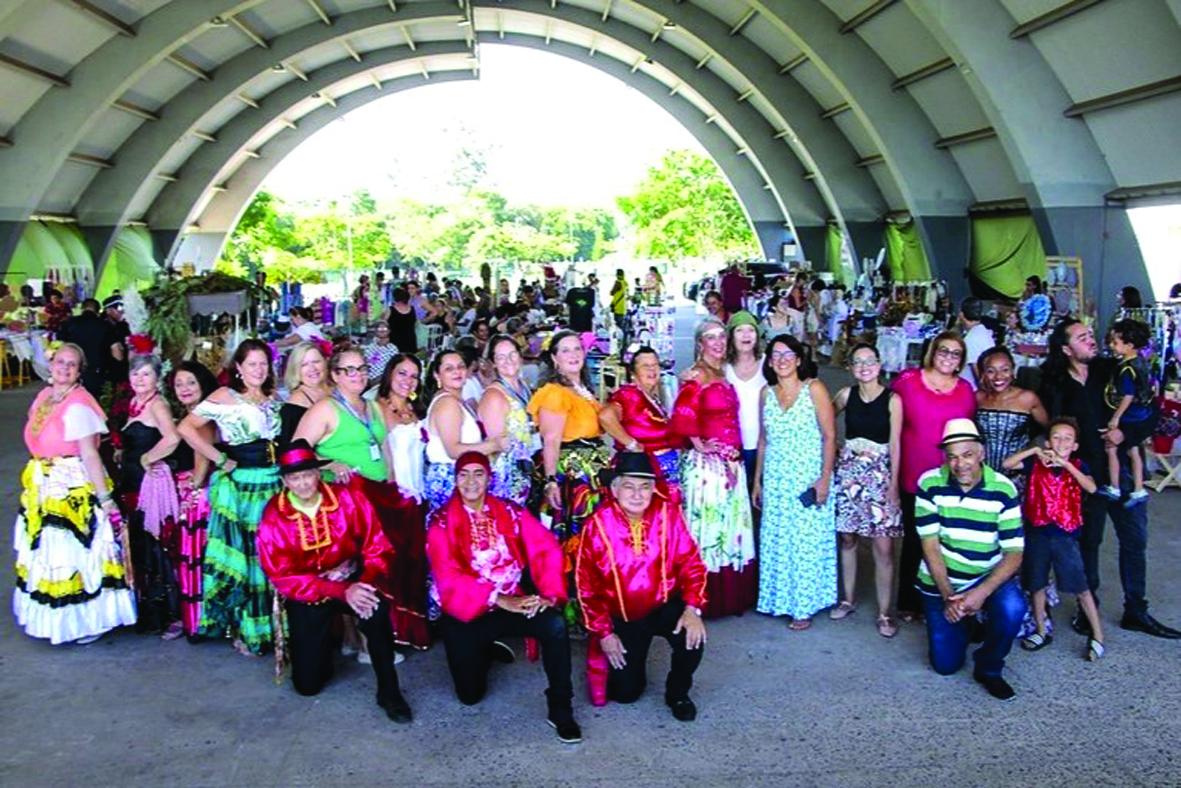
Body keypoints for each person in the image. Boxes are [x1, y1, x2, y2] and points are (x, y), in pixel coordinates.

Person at [426, 451, 581, 743]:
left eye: (479, 473)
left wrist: (548, 595)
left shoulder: (510, 511)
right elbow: (448, 578)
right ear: (455, 479)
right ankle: (485, 649)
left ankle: (561, 707)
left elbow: (545, 548)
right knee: (469, 696)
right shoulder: (441, 522)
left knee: (554, 625)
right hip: (466, 612)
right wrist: (498, 599)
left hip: (513, 603)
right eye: (464, 474)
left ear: (489, 478)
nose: (471, 481)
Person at [1039, 318, 1179, 639]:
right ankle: (1088, 610)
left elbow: (1150, 409)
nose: (1091, 340)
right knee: (1089, 542)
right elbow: (1052, 428)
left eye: (1091, 334)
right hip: (1085, 474)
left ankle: (1136, 610)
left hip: (1124, 471)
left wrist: (1125, 433)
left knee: (1134, 540)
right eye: (1081, 337)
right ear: (1065, 348)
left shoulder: (1113, 369)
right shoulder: (1055, 382)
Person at [256, 440, 412, 722]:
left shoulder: (348, 499)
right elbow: (282, 575)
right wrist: (338, 589)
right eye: (295, 478)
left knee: (376, 616)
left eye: (307, 475)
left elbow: (377, 545)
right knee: (308, 685)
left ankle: (389, 691)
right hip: (309, 591)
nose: (303, 484)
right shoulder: (274, 516)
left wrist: (363, 583)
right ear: (284, 481)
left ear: (318, 474)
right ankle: (320, 655)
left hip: (354, 578)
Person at [13, 343, 137, 644]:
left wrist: (105, 500)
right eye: (60, 362)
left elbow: (91, 455)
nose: (65, 368)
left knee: (70, 552)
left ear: (79, 372)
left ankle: (86, 620)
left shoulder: (79, 404)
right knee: (49, 553)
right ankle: (59, 619)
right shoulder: (45, 395)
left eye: (72, 365)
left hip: (71, 486)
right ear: (51, 363)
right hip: (44, 482)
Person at [575, 452, 707, 719]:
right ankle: (631, 660)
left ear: (653, 489)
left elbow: (692, 563)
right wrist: (605, 633)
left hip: (664, 606)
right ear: (614, 489)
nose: (637, 494)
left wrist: (693, 608)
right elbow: (586, 586)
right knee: (626, 694)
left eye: (645, 486)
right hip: (622, 616)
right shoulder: (597, 526)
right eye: (629, 486)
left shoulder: (668, 515)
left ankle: (678, 693)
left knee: (693, 639)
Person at [178, 339, 282, 656]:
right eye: (252, 364)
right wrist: (219, 458)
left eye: (263, 363)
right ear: (238, 367)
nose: (258, 370)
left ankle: (276, 628)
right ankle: (248, 630)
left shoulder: (274, 397)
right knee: (248, 560)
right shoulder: (224, 397)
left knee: (271, 558)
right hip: (244, 488)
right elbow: (186, 427)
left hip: (274, 484)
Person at [916, 418, 1026, 701]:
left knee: (1013, 608)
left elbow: (1014, 553)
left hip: (985, 576)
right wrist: (949, 597)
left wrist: (980, 594)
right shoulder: (929, 483)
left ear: (982, 453)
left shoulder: (1003, 488)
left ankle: (989, 667)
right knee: (945, 666)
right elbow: (930, 546)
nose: (960, 464)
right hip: (944, 580)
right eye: (952, 456)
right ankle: (967, 622)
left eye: (967, 454)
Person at [670, 318, 756, 618]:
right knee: (709, 530)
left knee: (729, 530)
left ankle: (729, 595)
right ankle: (703, 597)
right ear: (699, 343)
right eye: (711, 337)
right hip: (709, 469)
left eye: (722, 336)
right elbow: (682, 415)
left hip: (731, 464)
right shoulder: (696, 374)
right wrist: (699, 443)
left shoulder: (720, 371)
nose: (718, 342)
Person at [1002, 418, 1105, 660]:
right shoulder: (1034, 463)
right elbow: (1008, 464)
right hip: (1038, 532)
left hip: (1065, 535)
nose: (1061, 442)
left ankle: (1098, 635)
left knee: (1080, 585)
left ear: (1075, 445)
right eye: (1056, 437)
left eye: (1067, 439)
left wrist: (1067, 465)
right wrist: (1035, 450)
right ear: (1049, 441)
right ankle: (1040, 629)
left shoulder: (1079, 465)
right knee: (1036, 583)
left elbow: (1091, 488)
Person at [891, 331, 976, 622]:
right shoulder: (907, 381)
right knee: (916, 540)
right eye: (943, 350)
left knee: (945, 539)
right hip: (913, 473)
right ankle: (908, 602)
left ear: (961, 360)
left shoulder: (965, 390)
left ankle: (944, 597)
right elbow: (884, 413)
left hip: (949, 477)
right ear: (932, 352)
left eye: (955, 354)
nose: (948, 357)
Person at [753, 335, 836, 630]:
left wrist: (824, 479)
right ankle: (778, 599)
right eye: (775, 355)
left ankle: (803, 606)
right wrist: (758, 481)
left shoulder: (814, 388)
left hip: (807, 478)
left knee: (804, 543)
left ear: (799, 360)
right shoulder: (766, 393)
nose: (782, 360)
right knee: (778, 539)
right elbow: (763, 440)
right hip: (776, 479)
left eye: (788, 354)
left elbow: (829, 437)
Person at [831, 343, 903, 637]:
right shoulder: (845, 395)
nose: (864, 367)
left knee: (883, 545)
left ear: (879, 364)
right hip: (849, 473)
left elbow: (896, 444)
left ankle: (886, 612)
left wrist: (894, 486)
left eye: (869, 361)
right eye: (857, 362)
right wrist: (834, 447)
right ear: (850, 367)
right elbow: (824, 420)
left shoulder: (893, 399)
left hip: (880, 474)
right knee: (847, 537)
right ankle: (847, 598)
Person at [528, 330, 610, 547]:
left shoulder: (581, 389)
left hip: (592, 470)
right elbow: (551, 440)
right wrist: (551, 481)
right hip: (573, 474)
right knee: (578, 537)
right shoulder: (555, 393)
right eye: (565, 350)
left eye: (577, 348)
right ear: (555, 359)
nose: (573, 355)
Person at [119, 354, 182, 635]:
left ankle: (171, 614)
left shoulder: (158, 404)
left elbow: (172, 437)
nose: (139, 379)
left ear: (157, 378)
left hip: (150, 483)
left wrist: (148, 457)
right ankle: (148, 608)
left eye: (146, 374)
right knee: (141, 545)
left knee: (157, 545)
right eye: (135, 374)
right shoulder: (135, 404)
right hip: (132, 482)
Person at [377, 353, 432, 648]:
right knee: (393, 567)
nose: (407, 380)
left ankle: (411, 630)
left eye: (413, 375)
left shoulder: (414, 409)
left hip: (418, 495)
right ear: (389, 374)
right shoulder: (378, 408)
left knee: (414, 566)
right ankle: (391, 632)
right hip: (393, 497)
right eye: (402, 373)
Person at [168, 360, 219, 640]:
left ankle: (203, 621)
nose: (184, 388)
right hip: (197, 491)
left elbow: (203, 461)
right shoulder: (195, 413)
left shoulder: (202, 417)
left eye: (191, 382)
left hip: (200, 495)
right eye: (179, 384)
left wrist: (193, 490)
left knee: (197, 558)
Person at [423, 349, 506, 511]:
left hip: (461, 478)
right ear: (437, 375)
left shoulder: (456, 400)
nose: (457, 372)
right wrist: (495, 445)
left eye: (460, 366)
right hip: (450, 480)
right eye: (449, 369)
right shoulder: (448, 403)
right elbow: (453, 450)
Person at [598, 346, 681, 493]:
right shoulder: (629, 395)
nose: (652, 370)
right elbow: (606, 416)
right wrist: (632, 444)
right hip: (643, 474)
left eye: (655, 365)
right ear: (633, 374)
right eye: (645, 366)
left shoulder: (653, 397)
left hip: (665, 473)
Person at [975, 346, 1048, 487]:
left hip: (1016, 477)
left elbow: (1048, 429)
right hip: (982, 475)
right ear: (983, 374)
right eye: (991, 371)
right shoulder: (978, 398)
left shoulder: (1027, 398)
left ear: (1013, 371)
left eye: (1005, 370)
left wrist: (1030, 452)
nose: (998, 376)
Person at [1101, 318, 1155, 506]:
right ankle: (1137, 488)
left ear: (1129, 345)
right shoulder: (1141, 363)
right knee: (1134, 451)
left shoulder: (1126, 369)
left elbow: (1128, 395)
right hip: (1141, 414)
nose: (1111, 346)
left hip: (1130, 417)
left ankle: (1116, 486)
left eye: (1115, 342)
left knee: (1113, 448)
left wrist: (1116, 418)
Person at [478, 335, 538, 506]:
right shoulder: (494, 396)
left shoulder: (523, 386)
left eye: (512, 354)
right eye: (500, 357)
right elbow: (497, 446)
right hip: (507, 476)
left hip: (527, 466)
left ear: (520, 356)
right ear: (494, 363)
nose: (508, 361)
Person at [724, 311, 765, 488]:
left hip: (764, 443)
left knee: (760, 493)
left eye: (751, 330)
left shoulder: (770, 363)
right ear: (731, 336)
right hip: (733, 444)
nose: (746, 335)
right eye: (740, 330)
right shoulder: (722, 366)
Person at [278, 342, 330, 448]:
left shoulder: (336, 390)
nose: (312, 368)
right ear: (296, 370)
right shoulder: (294, 406)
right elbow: (291, 451)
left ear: (325, 362)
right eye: (304, 365)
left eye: (316, 362)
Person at [57, 298, 109, 398]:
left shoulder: (69, 323)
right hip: (97, 370)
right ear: (98, 311)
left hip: (73, 368)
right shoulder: (104, 325)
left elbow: (60, 345)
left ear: (82, 308)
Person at [958, 298, 995, 389]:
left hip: (972, 392)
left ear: (961, 315)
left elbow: (979, 374)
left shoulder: (971, 339)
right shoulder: (983, 331)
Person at [102, 294, 130, 388]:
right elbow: (118, 356)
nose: (121, 311)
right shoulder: (104, 327)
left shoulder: (123, 326)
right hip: (109, 374)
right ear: (108, 310)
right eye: (118, 308)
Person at [362, 322, 400, 388]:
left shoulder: (393, 348)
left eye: (385, 328)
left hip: (382, 382)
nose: (382, 330)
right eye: (379, 328)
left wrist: (380, 379)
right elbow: (364, 363)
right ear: (376, 331)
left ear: (389, 331)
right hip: (367, 381)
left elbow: (394, 367)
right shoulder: (369, 347)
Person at [386, 287, 418, 355]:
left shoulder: (390, 310)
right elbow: (415, 324)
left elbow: (383, 324)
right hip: (410, 340)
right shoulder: (412, 309)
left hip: (395, 341)